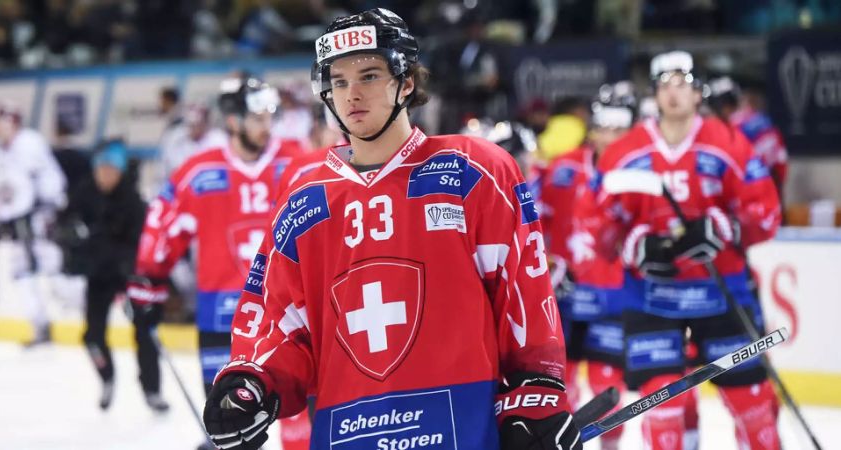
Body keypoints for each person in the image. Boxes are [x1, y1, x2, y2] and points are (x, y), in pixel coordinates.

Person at [202, 8, 582, 450]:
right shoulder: (305, 197)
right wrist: (252, 381)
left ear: (405, 82)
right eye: (339, 81)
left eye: (368, 75)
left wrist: (537, 390)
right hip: (346, 433)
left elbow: (524, 292)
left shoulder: (475, 171)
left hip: (460, 430)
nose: (351, 95)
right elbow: (278, 317)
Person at [593, 51, 782, 450]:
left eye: (682, 83)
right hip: (652, 298)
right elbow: (598, 226)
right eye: (664, 84)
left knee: (752, 404)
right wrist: (635, 245)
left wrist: (725, 227)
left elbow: (766, 214)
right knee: (661, 407)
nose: (673, 93)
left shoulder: (729, 144)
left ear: (698, 93)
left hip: (721, 290)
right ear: (655, 95)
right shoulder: (625, 152)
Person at [127, 75, 302, 446]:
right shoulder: (200, 172)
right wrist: (149, 278)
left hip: (287, 316)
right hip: (222, 315)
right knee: (229, 423)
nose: (265, 126)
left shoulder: (297, 161)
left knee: (301, 421)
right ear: (234, 121)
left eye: (270, 116)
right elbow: (163, 222)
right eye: (257, 118)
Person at [541, 82, 637, 450]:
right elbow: (534, 224)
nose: (609, 137)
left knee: (605, 386)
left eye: (619, 129)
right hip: (564, 300)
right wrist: (547, 264)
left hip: (612, 298)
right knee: (560, 385)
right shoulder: (562, 168)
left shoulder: (637, 173)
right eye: (603, 127)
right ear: (592, 127)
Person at [70, 139, 147, 410]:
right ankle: (107, 378)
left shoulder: (134, 201)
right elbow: (68, 224)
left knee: (145, 332)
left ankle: (151, 388)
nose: (104, 175)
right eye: (100, 169)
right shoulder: (83, 193)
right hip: (98, 274)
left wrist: (131, 263)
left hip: (128, 276)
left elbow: (143, 240)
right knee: (92, 336)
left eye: (110, 170)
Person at [0, 100, 67, 346]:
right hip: (20, 218)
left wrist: (9, 216)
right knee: (21, 271)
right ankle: (39, 325)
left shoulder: (29, 142)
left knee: (56, 269)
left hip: (46, 215)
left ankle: (82, 315)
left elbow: (31, 188)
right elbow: (0, 191)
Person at [707, 76, 788, 204]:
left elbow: (777, 162)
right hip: (762, 188)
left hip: (754, 189)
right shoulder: (759, 121)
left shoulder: (739, 125)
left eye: (722, 104)